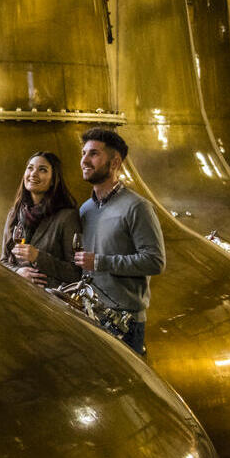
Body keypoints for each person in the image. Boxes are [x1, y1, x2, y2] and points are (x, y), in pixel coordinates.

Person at [73, 127, 165, 356]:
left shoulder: (137, 207)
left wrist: (101, 262)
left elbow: (154, 261)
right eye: (83, 153)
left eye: (93, 154)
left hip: (125, 323)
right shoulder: (86, 209)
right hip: (90, 316)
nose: (84, 160)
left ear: (114, 163)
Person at [0, 151, 82, 288]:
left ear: (53, 180)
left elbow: (76, 273)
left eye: (42, 170)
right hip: (18, 297)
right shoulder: (14, 213)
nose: (33, 174)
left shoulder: (67, 217)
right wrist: (17, 272)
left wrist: (38, 257)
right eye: (30, 168)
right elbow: (3, 261)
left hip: (52, 301)